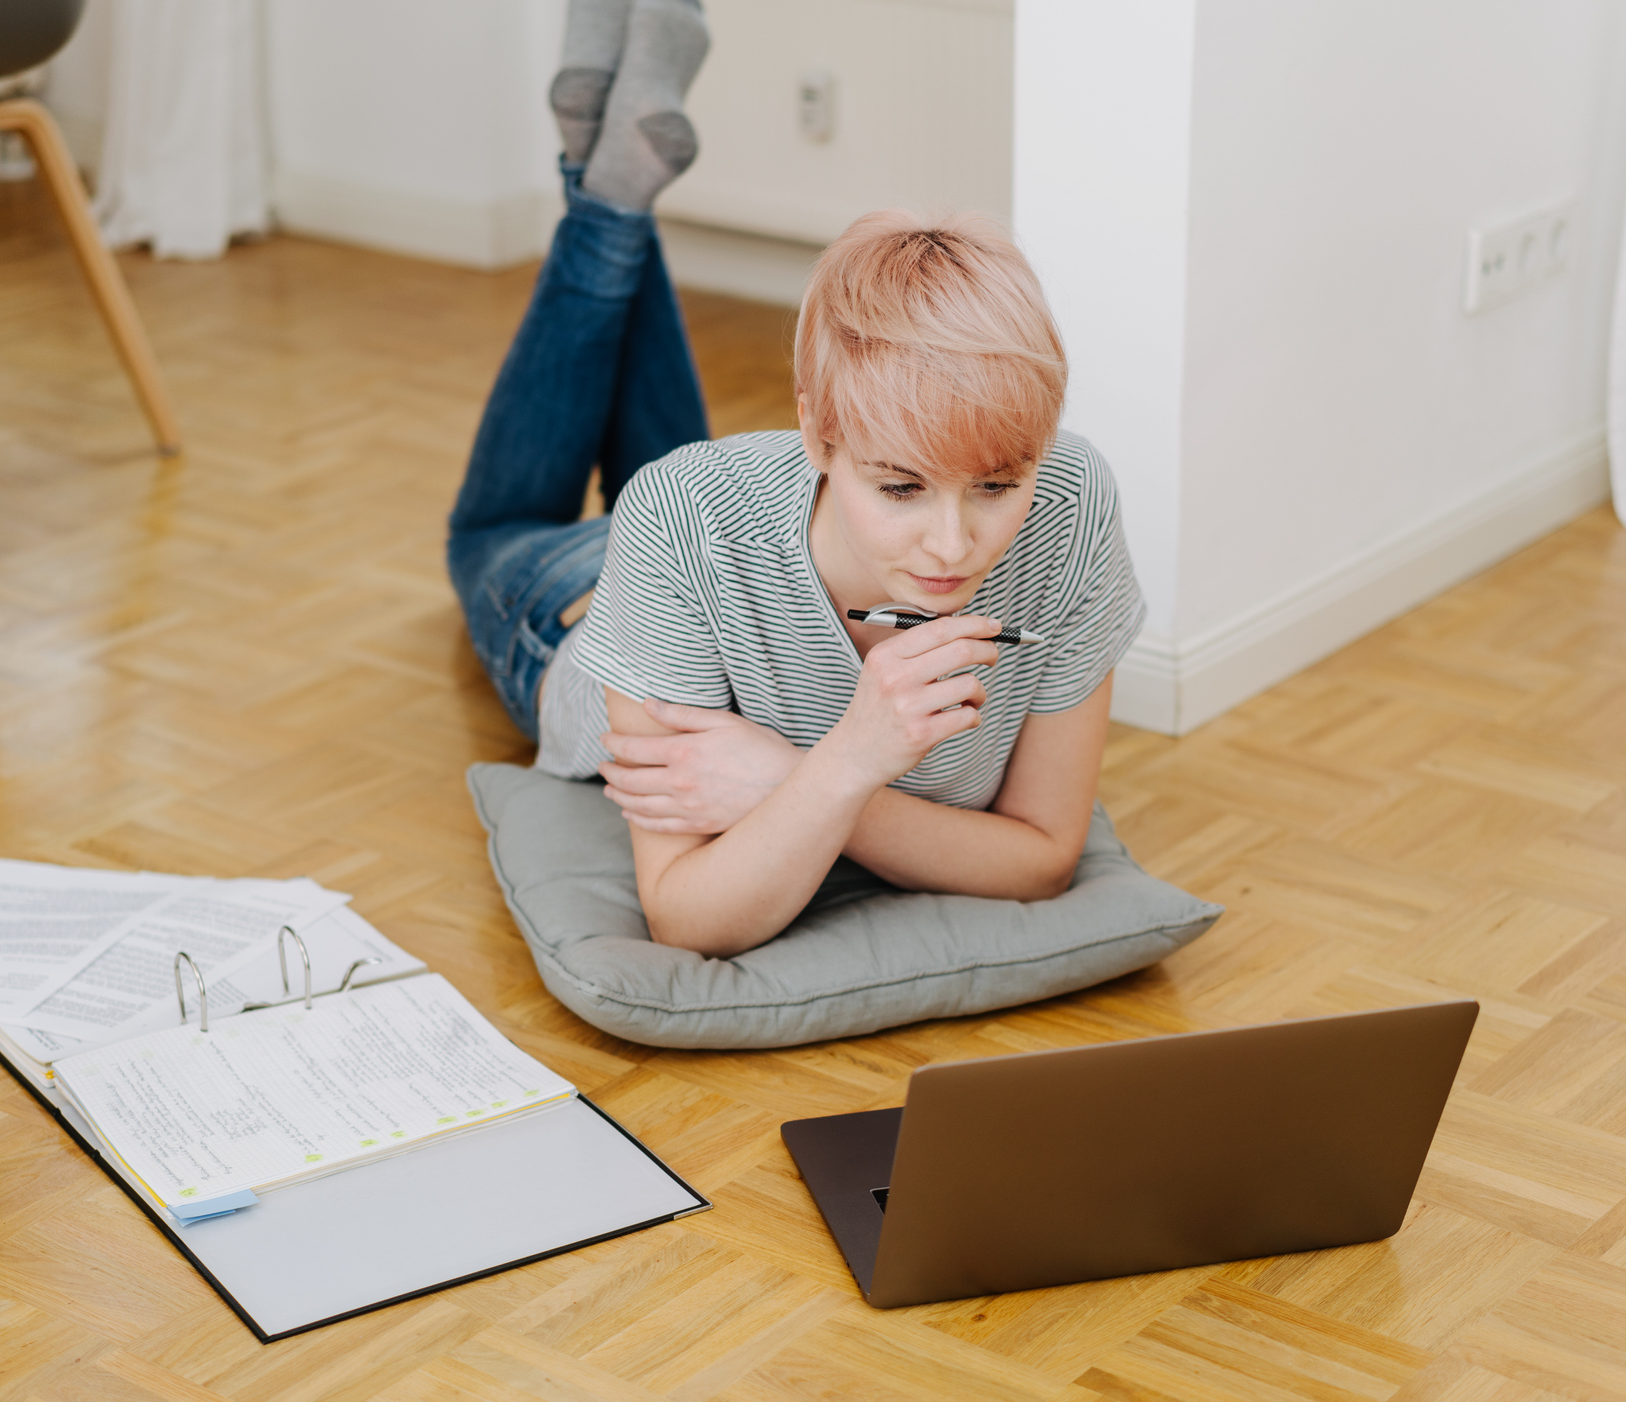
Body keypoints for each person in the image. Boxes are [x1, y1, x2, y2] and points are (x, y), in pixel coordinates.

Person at [448, 0, 1144, 960]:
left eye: (994, 488)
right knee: (492, 528)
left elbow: (1041, 860)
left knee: (678, 481)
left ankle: (607, 180)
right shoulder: (684, 513)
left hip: (714, 540)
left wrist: (796, 776)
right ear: (816, 432)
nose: (954, 546)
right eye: (901, 488)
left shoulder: (1068, 500)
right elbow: (688, 916)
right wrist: (855, 754)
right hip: (566, 604)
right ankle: (600, 188)